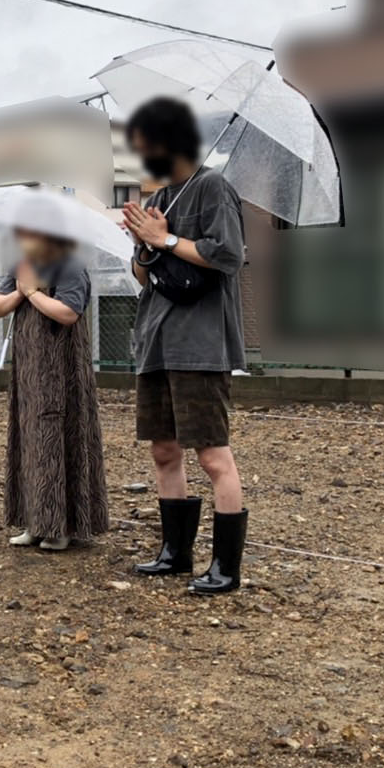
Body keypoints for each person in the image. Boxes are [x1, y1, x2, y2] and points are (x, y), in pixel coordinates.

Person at [121, 97, 248, 594]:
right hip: (157, 341)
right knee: (163, 450)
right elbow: (142, 275)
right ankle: (175, 553)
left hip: (200, 344)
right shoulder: (160, 199)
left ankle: (225, 568)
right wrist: (147, 243)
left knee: (213, 456)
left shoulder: (213, 187)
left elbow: (229, 256)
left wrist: (168, 240)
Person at [0, 230, 108, 551]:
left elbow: (69, 313)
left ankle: (61, 527)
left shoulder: (69, 266)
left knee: (57, 440)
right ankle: (34, 522)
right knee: (29, 444)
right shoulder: (22, 265)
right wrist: (23, 292)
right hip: (29, 375)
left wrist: (34, 294)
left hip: (61, 372)